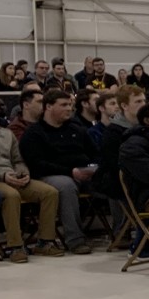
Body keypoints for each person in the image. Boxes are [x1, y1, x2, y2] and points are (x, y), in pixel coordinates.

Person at [0, 91, 62, 261]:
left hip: (13, 175)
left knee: (50, 192)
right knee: (11, 195)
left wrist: (23, 172)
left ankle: (44, 242)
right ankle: (15, 246)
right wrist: (2, 176)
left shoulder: (5, 133)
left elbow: (18, 159)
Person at [18, 90, 97, 254]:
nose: (69, 109)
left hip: (83, 172)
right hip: (51, 175)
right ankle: (75, 240)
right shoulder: (34, 133)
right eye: (64, 105)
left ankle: (123, 232)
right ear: (48, 107)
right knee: (65, 185)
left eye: (70, 105)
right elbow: (36, 164)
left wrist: (94, 168)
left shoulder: (77, 129)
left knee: (113, 177)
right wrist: (70, 171)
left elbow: (95, 153)